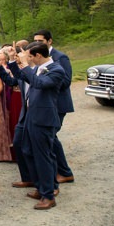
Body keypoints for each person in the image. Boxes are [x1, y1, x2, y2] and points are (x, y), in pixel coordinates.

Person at [2, 42, 68, 210]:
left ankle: (48, 195)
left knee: (43, 156)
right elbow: (19, 77)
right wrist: (11, 60)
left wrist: (25, 65)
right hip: (30, 116)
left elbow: (39, 83)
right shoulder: (36, 69)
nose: (28, 59)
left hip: (44, 118)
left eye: (30, 56)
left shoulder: (56, 69)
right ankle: (40, 186)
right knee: (27, 151)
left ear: (38, 55)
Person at [29, 30, 75, 185]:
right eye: (35, 40)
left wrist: (46, 82)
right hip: (42, 104)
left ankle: (62, 172)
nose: (38, 43)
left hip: (57, 103)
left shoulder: (60, 57)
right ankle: (59, 172)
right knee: (50, 139)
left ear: (49, 41)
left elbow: (66, 81)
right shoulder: (35, 60)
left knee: (50, 138)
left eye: (41, 41)